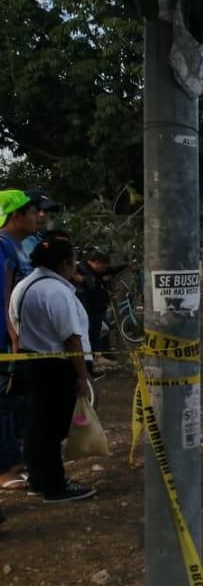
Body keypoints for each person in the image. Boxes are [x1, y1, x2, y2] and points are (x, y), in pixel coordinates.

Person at [8, 236, 96, 502]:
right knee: (53, 428)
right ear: (65, 263)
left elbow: (14, 324)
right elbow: (72, 338)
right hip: (56, 367)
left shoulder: (24, 286)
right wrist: (81, 375)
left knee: (38, 425)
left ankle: (38, 479)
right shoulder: (55, 291)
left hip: (31, 362)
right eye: (73, 261)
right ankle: (53, 485)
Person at [0, 190, 42, 493]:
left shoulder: (17, 247)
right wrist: (13, 336)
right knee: (3, 403)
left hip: (19, 339)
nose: (36, 217)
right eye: (31, 212)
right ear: (16, 216)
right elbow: (4, 299)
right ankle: (2, 470)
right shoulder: (2, 248)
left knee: (14, 402)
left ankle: (13, 460)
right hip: (6, 341)